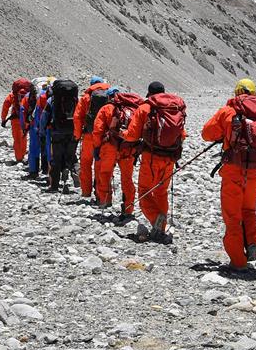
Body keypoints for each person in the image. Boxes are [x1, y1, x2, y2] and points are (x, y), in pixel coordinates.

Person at [201, 78, 256, 270]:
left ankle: (238, 260)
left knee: (232, 215)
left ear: (237, 92)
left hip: (234, 170)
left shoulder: (229, 110)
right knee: (249, 210)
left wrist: (226, 134)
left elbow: (207, 134)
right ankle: (253, 243)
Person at [122, 81, 186, 242]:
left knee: (144, 191)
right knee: (161, 192)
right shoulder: (174, 108)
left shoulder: (146, 107)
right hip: (170, 158)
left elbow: (132, 135)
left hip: (151, 157)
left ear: (149, 93)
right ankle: (161, 227)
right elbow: (182, 134)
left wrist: (122, 134)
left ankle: (156, 219)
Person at [93, 89, 143, 218]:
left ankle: (105, 200)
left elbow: (98, 130)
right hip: (128, 148)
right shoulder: (136, 109)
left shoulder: (107, 108)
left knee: (105, 173)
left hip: (110, 146)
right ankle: (128, 207)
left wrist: (97, 147)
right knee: (127, 178)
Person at [73, 76, 110, 200]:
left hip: (89, 135)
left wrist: (77, 135)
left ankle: (86, 191)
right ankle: (101, 195)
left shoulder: (86, 97)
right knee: (100, 165)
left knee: (86, 163)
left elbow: (78, 117)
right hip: (104, 137)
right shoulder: (110, 96)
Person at [41, 79, 79, 193]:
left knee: (56, 159)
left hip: (57, 132)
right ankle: (76, 173)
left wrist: (42, 132)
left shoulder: (51, 100)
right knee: (72, 156)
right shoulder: (76, 100)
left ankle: (54, 186)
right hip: (73, 132)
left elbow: (44, 117)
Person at [1, 78, 30, 163]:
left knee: (17, 138)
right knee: (24, 137)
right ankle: (23, 155)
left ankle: (19, 158)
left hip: (15, 119)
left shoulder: (13, 95)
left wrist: (3, 119)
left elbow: (5, 105)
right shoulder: (28, 95)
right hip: (26, 119)